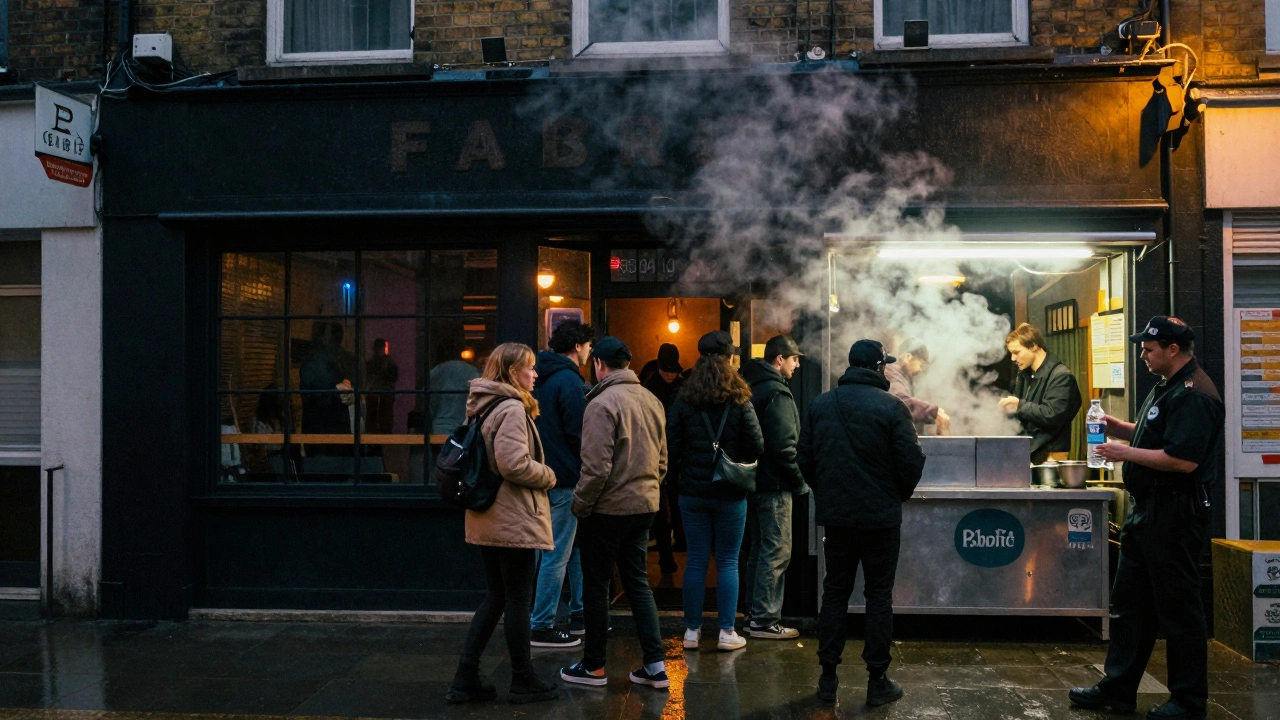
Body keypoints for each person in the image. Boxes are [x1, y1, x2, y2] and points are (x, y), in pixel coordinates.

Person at [1068, 317, 1223, 720]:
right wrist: (1123, 428)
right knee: (1130, 604)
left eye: (1149, 349)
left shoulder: (1195, 394)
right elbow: (1160, 434)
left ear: (1173, 349)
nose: (1142, 354)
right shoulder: (1168, 385)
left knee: (1179, 611)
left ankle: (1188, 702)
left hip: (1175, 516)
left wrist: (1124, 453)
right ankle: (1118, 688)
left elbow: (1184, 460)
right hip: (1148, 512)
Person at [799, 340, 925, 706]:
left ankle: (827, 678)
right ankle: (877, 680)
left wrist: (827, 492)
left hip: (837, 519)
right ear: (878, 368)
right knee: (878, 596)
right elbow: (911, 463)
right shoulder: (892, 407)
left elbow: (804, 457)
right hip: (880, 520)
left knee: (834, 593)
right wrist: (893, 495)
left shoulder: (821, 405)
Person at [447, 343, 560, 706]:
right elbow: (512, 463)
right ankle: (522, 679)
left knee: (497, 596)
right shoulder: (510, 407)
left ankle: (465, 677)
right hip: (511, 518)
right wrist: (548, 475)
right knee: (516, 599)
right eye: (529, 368)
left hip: (488, 515)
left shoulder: (483, 404)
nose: (535, 374)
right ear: (512, 373)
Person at [560, 337, 670, 690]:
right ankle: (655, 666)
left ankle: (593, 666)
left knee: (597, 585)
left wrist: (580, 506)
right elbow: (663, 461)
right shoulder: (652, 400)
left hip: (607, 510)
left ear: (599, 365)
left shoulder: (601, 403)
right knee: (638, 584)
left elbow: (595, 469)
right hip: (644, 506)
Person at [667, 330, 764, 652]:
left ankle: (691, 633)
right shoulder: (739, 398)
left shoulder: (684, 398)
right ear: (731, 358)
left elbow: (672, 445)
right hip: (730, 492)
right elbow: (757, 444)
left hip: (692, 493)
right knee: (728, 560)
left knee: (695, 560)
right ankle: (726, 633)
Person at [529, 321, 595, 648]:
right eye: (588, 345)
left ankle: (580, 613)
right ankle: (541, 624)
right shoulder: (569, 380)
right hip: (566, 478)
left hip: (540, 476)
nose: (590, 351)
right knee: (557, 554)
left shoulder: (537, 377)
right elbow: (579, 433)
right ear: (578, 346)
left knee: (570, 549)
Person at [741, 335, 809, 640]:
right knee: (776, 550)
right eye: (794, 359)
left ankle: (754, 614)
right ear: (779, 359)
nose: (797, 365)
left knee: (758, 549)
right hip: (775, 484)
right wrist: (799, 483)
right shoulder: (777, 393)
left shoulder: (751, 386)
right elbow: (784, 449)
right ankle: (766, 619)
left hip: (753, 482)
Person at [999, 323, 1083, 464]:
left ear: (1033, 346)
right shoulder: (1025, 375)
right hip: (1028, 452)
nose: (1013, 358)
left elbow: (1053, 414)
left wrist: (1019, 406)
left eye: (1017, 352)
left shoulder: (1061, 376)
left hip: (1050, 455)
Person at [643, 342, 685, 574]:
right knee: (660, 511)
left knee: (675, 507)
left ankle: (678, 548)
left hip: (673, 456)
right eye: (666, 368)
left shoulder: (652, 387)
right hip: (659, 454)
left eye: (673, 369)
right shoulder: (651, 387)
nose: (670, 373)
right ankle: (667, 556)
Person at [885, 337, 950, 435]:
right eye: (921, 363)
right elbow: (901, 403)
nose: (920, 369)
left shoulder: (901, 375)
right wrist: (934, 412)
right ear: (908, 357)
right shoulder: (891, 373)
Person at [364, 338, 399, 435]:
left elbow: (392, 377)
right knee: (379, 418)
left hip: (380, 393)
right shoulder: (387, 363)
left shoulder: (385, 363)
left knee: (381, 419)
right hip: (379, 393)